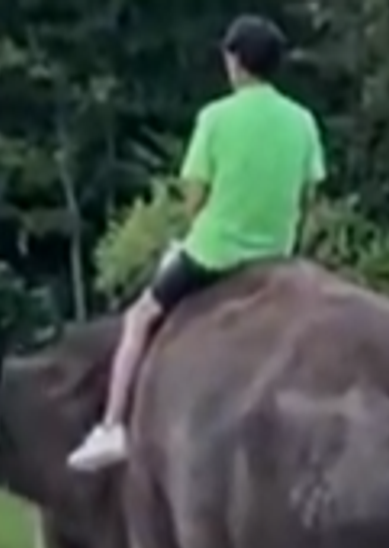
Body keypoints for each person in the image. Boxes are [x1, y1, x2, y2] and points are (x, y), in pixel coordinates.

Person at [66, 14, 327, 472]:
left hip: (214, 254)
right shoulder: (303, 122)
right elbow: (308, 197)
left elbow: (194, 199)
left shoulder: (215, 117)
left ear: (235, 61)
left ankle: (111, 427)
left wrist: (194, 234)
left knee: (139, 317)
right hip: (276, 258)